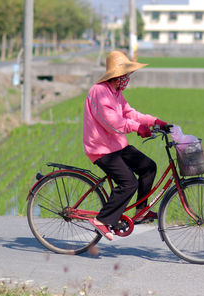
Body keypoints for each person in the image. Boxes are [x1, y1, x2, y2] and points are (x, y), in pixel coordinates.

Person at [82, 50, 168, 240]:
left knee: (148, 167)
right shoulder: (99, 92)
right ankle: (102, 220)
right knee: (129, 183)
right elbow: (112, 122)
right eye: (125, 75)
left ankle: (141, 210)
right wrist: (138, 129)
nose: (127, 79)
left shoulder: (116, 92)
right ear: (116, 75)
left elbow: (130, 113)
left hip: (117, 145)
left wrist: (154, 121)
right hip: (101, 149)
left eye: (128, 75)